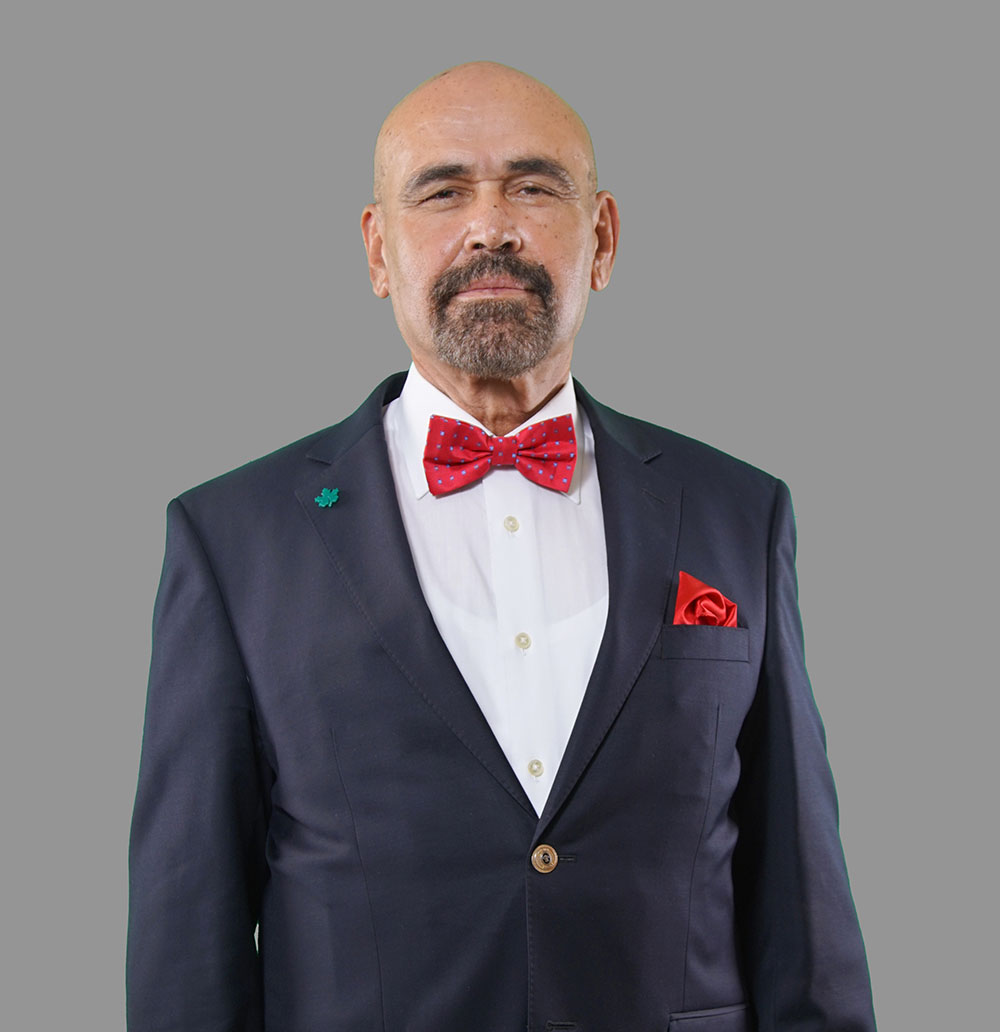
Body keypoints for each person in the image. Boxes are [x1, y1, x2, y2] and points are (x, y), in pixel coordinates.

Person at [127, 62, 876, 1032]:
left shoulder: (740, 513)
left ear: (602, 239)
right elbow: (188, 943)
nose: (490, 227)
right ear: (378, 251)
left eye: (533, 187)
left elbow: (802, 911)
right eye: (442, 192)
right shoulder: (233, 540)